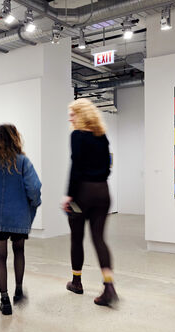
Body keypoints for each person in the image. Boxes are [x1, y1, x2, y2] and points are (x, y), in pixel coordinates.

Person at [0, 124, 42, 315]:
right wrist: (34, 203)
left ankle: (4, 300)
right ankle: (19, 291)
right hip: (19, 216)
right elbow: (34, 188)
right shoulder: (23, 162)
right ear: (15, 139)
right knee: (19, 251)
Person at [62, 99, 117, 307]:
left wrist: (69, 195)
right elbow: (108, 167)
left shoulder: (77, 135)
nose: (70, 117)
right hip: (103, 192)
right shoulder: (102, 137)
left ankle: (76, 282)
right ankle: (109, 287)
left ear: (82, 115)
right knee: (99, 239)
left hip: (82, 194)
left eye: (73, 114)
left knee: (77, 238)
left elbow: (76, 166)